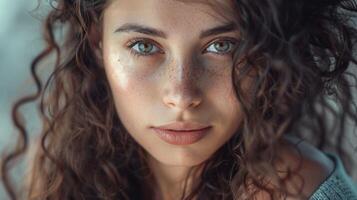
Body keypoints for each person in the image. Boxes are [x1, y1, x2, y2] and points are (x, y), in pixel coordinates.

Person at [1, 0, 357, 199]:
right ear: (98, 45)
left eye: (222, 46)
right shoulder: (61, 166)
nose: (181, 96)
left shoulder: (293, 190)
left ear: (266, 53)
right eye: (144, 46)